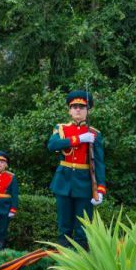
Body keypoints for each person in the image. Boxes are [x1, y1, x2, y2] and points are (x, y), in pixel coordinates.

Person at [47, 90, 106, 248]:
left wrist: (100, 189)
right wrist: (78, 139)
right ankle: (63, 257)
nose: (78, 109)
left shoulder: (94, 133)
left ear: (87, 111)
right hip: (64, 180)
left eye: (82, 107)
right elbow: (52, 145)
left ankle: (81, 257)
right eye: (74, 107)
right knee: (64, 224)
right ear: (69, 111)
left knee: (83, 225)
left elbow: (99, 163)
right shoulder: (61, 129)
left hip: (85, 183)